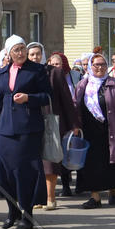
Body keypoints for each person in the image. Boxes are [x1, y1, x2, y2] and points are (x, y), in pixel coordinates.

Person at [0, 35, 51, 229]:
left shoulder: (37, 70)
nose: (21, 53)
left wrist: (28, 98)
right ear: (8, 53)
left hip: (28, 130)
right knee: (0, 170)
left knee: (24, 173)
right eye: (17, 50)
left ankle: (27, 214)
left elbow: (47, 96)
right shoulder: (3, 72)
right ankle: (12, 210)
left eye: (23, 48)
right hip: (5, 130)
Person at [75, 54, 115, 208]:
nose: (100, 67)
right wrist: (74, 125)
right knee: (92, 165)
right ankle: (95, 197)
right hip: (90, 132)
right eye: (96, 65)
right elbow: (74, 107)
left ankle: (112, 191)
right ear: (90, 66)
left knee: (111, 162)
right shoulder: (82, 86)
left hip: (112, 130)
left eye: (103, 64)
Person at [28, 42, 80, 210]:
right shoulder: (25, 73)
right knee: (35, 161)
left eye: (38, 53)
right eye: (32, 54)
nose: (35, 57)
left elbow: (66, 100)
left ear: (44, 56)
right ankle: (38, 198)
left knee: (50, 160)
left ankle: (50, 197)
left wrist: (73, 124)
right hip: (30, 121)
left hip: (52, 120)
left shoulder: (54, 73)